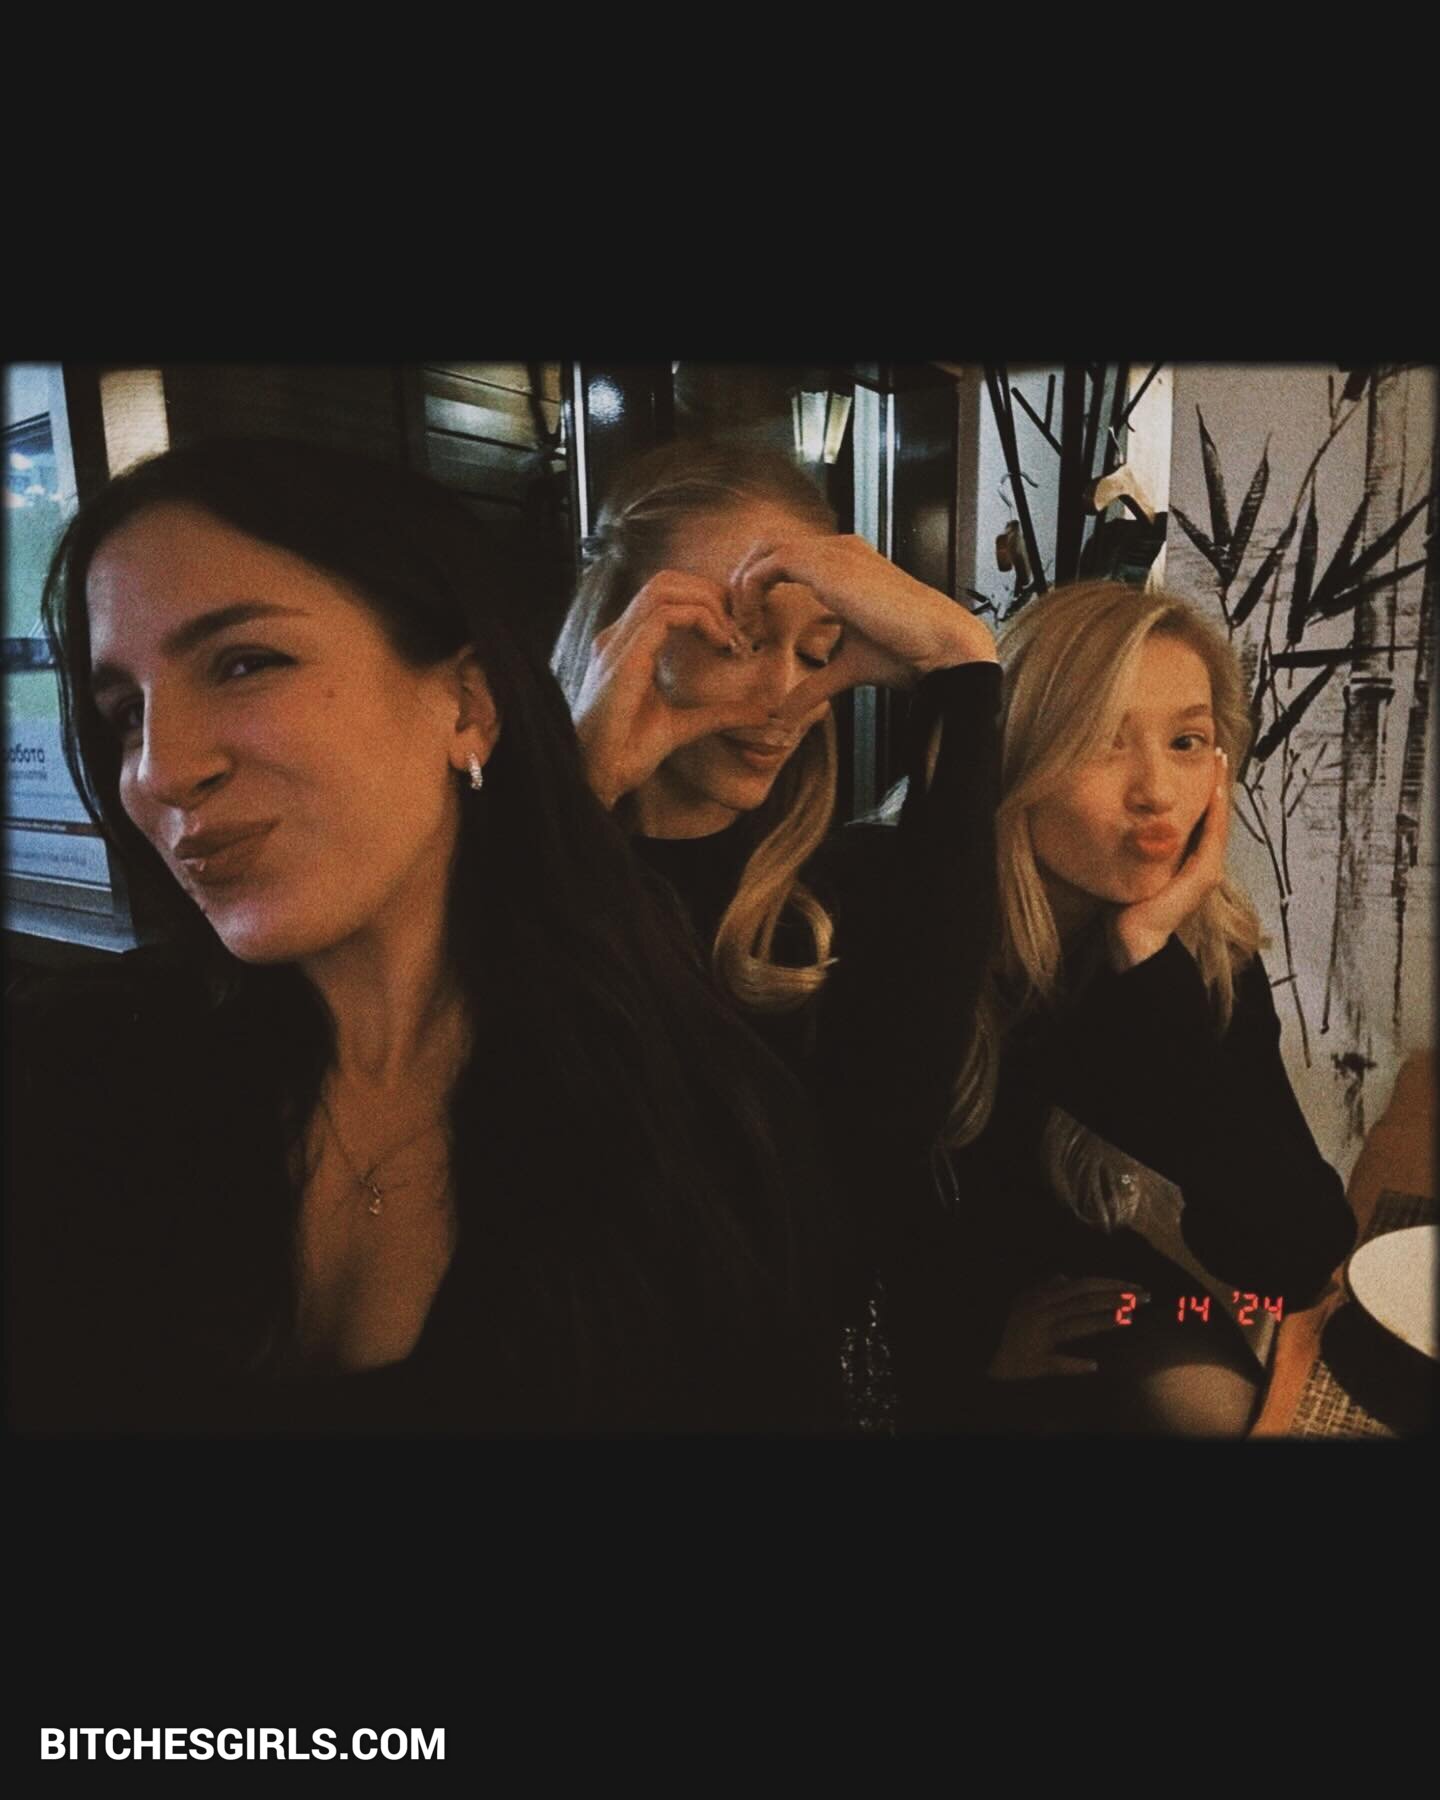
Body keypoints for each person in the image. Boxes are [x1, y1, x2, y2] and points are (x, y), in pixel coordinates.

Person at [8, 436, 839, 1435]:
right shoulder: (84, 1078)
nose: (159, 770)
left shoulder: (690, 1122)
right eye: (125, 713)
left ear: (468, 704)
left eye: (244, 663)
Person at [552, 439, 1002, 1427]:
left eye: (817, 651)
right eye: (738, 639)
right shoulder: (511, 873)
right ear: (620, 632)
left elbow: (880, 1150)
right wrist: (579, 792)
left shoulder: (826, 904)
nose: (784, 697)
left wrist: (961, 663)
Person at [931, 579, 1356, 1435]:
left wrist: (1148, 959)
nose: (1157, 792)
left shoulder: (1195, 954)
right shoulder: (923, 929)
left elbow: (1298, 1261)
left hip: (1093, 1277)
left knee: (1217, 1406)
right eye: (1102, 743)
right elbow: (839, 1232)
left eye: (1187, 742)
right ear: (1018, 757)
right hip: (930, 1320)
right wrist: (963, 1346)